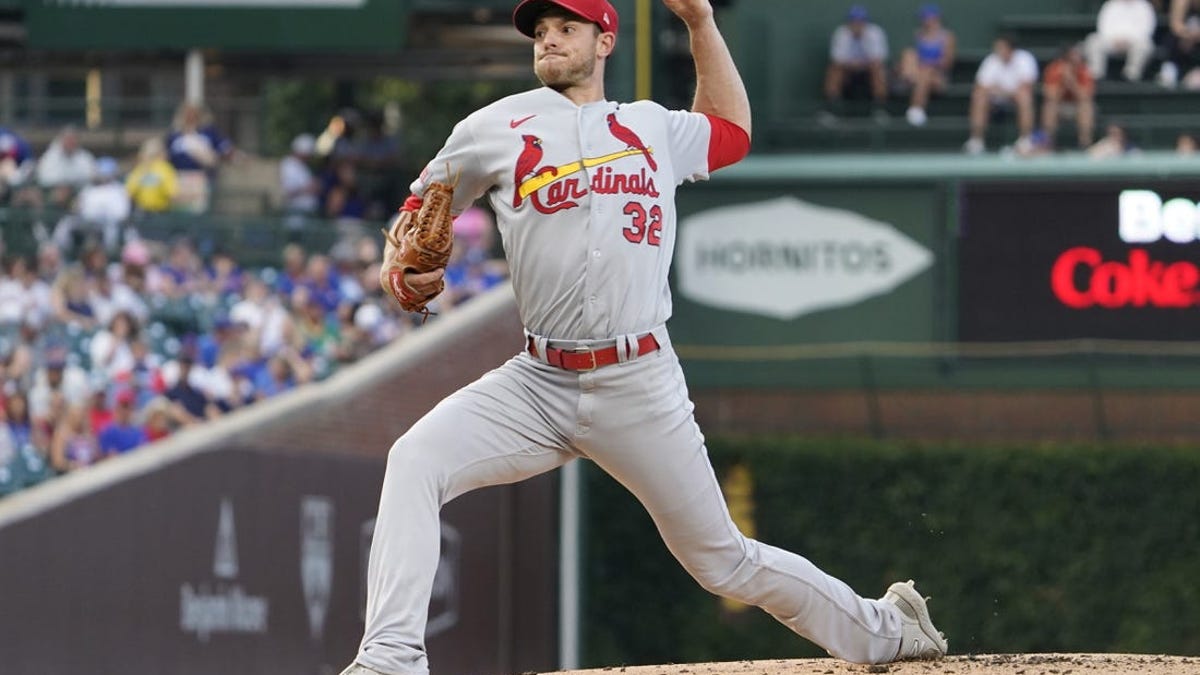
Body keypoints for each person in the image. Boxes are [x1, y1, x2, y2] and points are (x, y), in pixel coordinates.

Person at [340, 1, 947, 675]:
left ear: (605, 39)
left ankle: (889, 628)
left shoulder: (650, 126)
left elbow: (731, 132)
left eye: (565, 28)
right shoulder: (491, 128)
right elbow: (419, 214)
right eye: (540, 32)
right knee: (414, 460)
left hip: (638, 381)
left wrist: (699, 23)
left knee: (722, 560)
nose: (548, 40)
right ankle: (391, 658)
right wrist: (402, 264)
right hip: (538, 381)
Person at [963, 35, 1039, 155]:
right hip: (995, 99)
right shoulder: (991, 60)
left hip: (1016, 98)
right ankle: (976, 140)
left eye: (1001, 47)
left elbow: (1026, 86)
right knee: (979, 97)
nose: (998, 50)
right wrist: (1004, 91)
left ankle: (1025, 140)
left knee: (1025, 97)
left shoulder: (1025, 58)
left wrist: (1001, 90)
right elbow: (981, 86)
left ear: (1010, 49)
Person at [165, 101, 235, 214]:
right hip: (179, 177)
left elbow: (226, 149)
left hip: (202, 177)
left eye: (193, 113)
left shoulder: (209, 132)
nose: (190, 116)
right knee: (181, 211)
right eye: (187, 113)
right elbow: (166, 154)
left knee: (200, 211)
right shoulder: (174, 135)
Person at [822, 4, 890, 120]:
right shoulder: (841, 33)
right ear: (849, 22)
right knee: (834, 70)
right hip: (848, 73)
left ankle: (880, 110)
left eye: (860, 21)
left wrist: (859, 64)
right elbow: (837, 60)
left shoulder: (875, 33)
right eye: (854, 21)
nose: (857, 25)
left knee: (877, 69)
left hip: (868, 72)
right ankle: (831, 111)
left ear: (865, 22)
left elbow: (878, 59)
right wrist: (856, 64)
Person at [898, 3, 956, 127]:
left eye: (927, 18)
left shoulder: (947, 37)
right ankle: (911, 79)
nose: (925, 21)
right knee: (908, 54)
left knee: (925, 72)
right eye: (923, 18)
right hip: (919, 73)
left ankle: (916, 109)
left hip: (939, 78)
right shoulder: (918, 34)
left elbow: (947, 62)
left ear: (936, 18)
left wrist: (926, 65)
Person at [1041, 43, 1097, 150]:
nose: (1077, 58)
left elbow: (1085, 96)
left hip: (1077, 106)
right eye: (1073, 56)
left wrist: (1071, 82)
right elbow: (1051, 96)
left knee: (1086, 106)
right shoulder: (1053, 69)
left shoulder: (1084, 70)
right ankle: (1048, 144)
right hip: (1059, 106)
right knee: (1049, 106)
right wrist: (1063, 83)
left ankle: (1084, 144)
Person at [1084, 0, 1157, 81]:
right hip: (1112, 42)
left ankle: (1131, 75)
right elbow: (1103, 26)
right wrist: (1114, 39)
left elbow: (1147, 29)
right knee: (1093, 40)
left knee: (1145, 45)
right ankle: (1097, 75)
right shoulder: (1111, 4)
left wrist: (1128, 40)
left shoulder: (1144, 6)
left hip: (1134, 43)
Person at [36, 126, 96, 209]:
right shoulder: (50, 156)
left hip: (79, 192)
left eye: (73, 140)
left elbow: (90, 177)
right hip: (53, 191)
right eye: (68, 140)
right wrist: (62, 185)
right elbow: (45, 178)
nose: (70, 143)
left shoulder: (85, 157)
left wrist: (71, 186)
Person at [125, 136, 178, 214]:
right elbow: (129, 193)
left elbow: (172, 194)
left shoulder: (164, 169)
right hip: (150, 212)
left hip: (154, 211)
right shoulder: (140, 169)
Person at [280, 133, 320, 228]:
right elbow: (289, 191)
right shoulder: (288, 165)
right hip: (296, 216)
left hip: (307, 215)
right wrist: (309, 188)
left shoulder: (303, 166)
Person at [1162, 0, 1200, 88]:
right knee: (1176, 39)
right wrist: (1189, 35)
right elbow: (1175, 25)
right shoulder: (1181, 2)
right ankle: (1171, 67)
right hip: (1183, 44)